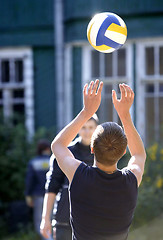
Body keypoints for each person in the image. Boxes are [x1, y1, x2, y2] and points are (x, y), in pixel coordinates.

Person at [50, 80, 146, 240]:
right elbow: (139, 154)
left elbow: (58, 145)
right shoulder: (131, 180)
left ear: (92, 149)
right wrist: (125, 116)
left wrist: (87, 111)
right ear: (123, 152)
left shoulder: (78, 174)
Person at [40, 115, 98, 240]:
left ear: (97, 129)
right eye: (83, 127)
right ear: (77, 129)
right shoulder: (64, 152)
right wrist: (45, 218)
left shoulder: (102, 154)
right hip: (64, 220)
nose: (87, 132)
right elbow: (52, 186)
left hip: (92, 221)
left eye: (91, 127)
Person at [25, 139, 53, 240]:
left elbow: (29, 181)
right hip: (52, 196)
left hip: (38, 197)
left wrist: (28, 195)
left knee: (39, 221)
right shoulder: (53, 160)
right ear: (47, 149)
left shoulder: (33, 162)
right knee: (51, 220)